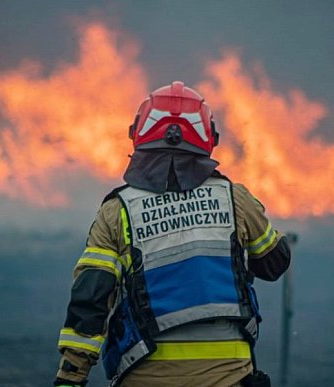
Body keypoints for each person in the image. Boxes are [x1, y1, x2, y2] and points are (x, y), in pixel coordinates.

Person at [54, 81, 291, 387]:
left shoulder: (117, 211)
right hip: (229, 378)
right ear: (209, 138)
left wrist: (69, 378)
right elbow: (274, 263)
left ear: (138, 134)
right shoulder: (234, 199)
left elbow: (90, 301)